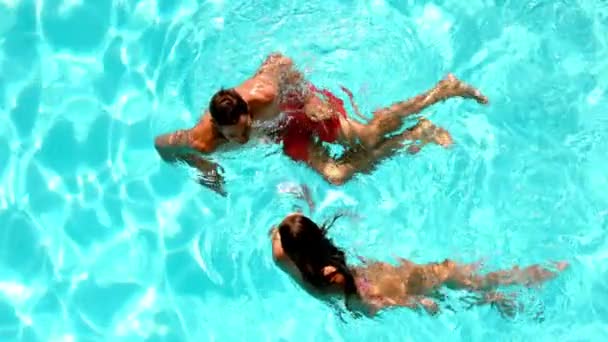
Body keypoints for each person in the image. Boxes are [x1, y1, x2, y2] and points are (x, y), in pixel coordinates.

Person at [154, 52, 489, 195]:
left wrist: (310, 99)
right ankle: (419, 133)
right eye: (234, 135)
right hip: (283, 134)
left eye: (244, 128)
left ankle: (442, 90)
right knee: (336, 175)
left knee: (368, 136)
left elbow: (279, 60)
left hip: (299, 108)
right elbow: (162, 145)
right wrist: (203, 167)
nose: (242, 138)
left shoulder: (263, 92)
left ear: (246, 110)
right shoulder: (202, 139)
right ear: (217, 127)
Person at [269, 212, 569, 318]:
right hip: (376, 287)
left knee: (446, 282)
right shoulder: (330, 276)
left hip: (369, 279)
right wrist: (408, 303)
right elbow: (363, 303)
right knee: (448, 274)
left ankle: (494, 297)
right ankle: (521, 280)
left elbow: (280, 231)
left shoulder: (282, 257)